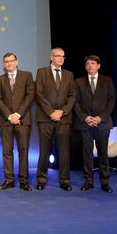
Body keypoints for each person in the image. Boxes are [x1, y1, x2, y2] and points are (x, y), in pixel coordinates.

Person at [35, 47, 76, 191]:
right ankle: (41, 178)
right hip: (46, 118)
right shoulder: (41, 72)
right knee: (44, 151)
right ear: (51, 57)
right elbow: (38, 93)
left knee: (64, 151)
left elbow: (72, 95)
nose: (60, 59)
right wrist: (51, 112)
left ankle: (64, 180)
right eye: (58, 56)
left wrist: (62, 111)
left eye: (63, 56)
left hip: (64, 119)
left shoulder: (69, 75)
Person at [74, 55, 115, 193]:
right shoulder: (78, 82)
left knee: (103, 153)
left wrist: (100, 118)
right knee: (87, 154)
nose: (90, 66)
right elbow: (75, 102)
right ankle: (88, 181)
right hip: (85, 124)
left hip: (102, 123)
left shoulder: (107, 80)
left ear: (98, 66)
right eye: (88, 64)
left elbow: (111, 101)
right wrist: (85, 117)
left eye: (93, 63)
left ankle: (105, 182)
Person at [0, 53, 34, 191]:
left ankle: (24, 180)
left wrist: (17, 114)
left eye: (11, 61)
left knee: (23, 150)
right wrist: (9, 115)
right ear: (4, 64)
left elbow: (30, 96)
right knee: (7, 151)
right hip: (6, 121)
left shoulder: (27, 75)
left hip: (22, 120)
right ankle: (9, 180)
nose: (9, 63)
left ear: (16, 62)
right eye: (6, 61)